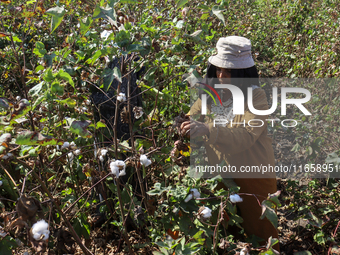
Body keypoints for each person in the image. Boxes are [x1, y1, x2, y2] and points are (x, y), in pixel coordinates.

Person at [180, 36, 280, 251]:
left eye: (229, 72)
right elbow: (191, 117)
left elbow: (245, 136)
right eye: (218, 70)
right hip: (221, 174)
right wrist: (183, 127)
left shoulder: (257, 99)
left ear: (243, 73)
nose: (222, 76)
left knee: (262, 234)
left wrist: (208, 129)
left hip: (254, 174)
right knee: (224, 231)